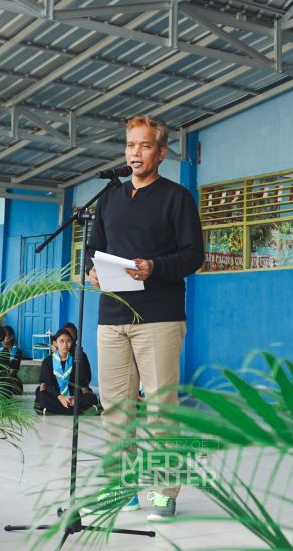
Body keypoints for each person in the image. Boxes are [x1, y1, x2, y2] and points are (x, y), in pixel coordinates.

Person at [84, 115, 204, 521]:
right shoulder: (109, 199)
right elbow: (93, 248)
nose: (135, 153)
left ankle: (164, 493)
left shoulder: (176, 198)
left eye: (145, 146)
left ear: (161, 152)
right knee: (115, 408)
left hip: (158, 317)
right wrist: (91, 270)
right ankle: (124, 488)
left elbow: (194, 255)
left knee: (160, 407)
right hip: (111, 315)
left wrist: (154, 267)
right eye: (130, 145)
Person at [34, 329, 98, 415]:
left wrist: (75, 398)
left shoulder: (76, 360)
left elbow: (82, 383)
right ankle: (76, 410)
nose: (65, 345)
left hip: (73, 396)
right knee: (41, 394)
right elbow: (47, 385)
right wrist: (60, 397)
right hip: (56, 396)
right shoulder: (48, 361)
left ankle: (55, 410)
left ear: (71, 343)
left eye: (68, 341)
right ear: (55, 343)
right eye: (61, 341)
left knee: (92, 397)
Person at [0, 326, 24, 396]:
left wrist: (3, 381)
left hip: (9, 377)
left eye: (5, 336)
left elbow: (12, 371)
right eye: (1, 336)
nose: (3, 339)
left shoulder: (17, 351)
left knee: (15, 390)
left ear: (11, 337)